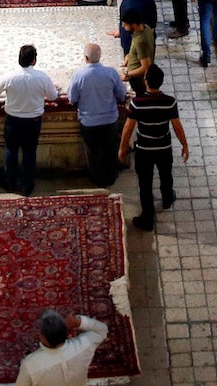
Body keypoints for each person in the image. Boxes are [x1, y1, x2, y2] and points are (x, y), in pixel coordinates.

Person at [0, 43, 59, 195]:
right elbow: (53, 96)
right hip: (33, 122)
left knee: (11, 151)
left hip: (13, 121)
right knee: (30, 152)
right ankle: (26, 185)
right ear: (34, 61)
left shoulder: (10, 77)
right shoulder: (42, 77)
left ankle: (10, 182)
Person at [122, 63, 186, 230]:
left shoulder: (137, 103)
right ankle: (167, 198)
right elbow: (177, 126)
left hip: (144, 150)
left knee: (145, 183)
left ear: (146, 81)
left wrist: (122, 148)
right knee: (166, 175)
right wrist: (184, 145)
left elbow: (129, 128)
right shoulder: (170, 102)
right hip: (164, 148)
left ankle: (148, 218)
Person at [68, 42, 129, 187]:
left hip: (89, 122)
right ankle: (111, 176)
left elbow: (72, 98)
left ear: (85, 58)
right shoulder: (111, 73)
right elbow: (122, 95)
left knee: (93, 152)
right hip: (110, 121)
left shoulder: (78, 75)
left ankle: (97, 179)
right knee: (110, 149)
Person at [121, 16, 156, 96]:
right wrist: (130, 56)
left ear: (133, 24)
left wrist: (127, 74)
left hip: (138, 81)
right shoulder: (146, 28)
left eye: (125, 25)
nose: (123, 26)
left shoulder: (140, 42)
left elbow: (146, 67)